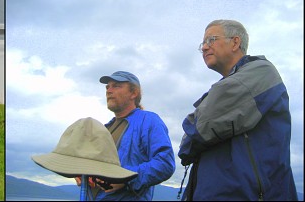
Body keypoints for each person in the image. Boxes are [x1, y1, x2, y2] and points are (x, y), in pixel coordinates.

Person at [178, 19, 297, 200]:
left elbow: (198, 128)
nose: (204, 47)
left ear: (235, 42)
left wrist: (191, 130)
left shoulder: (262, 71)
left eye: (211, 40)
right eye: (203, 43)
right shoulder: (227, 85)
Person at [76, 71, 175, 200]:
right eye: (107, 87)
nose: (109, 90)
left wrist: (126, 178)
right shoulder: (104, 130)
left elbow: (165, 164)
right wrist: (84, 176)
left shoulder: (149, 120)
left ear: (134, 93)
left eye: (116, 86)